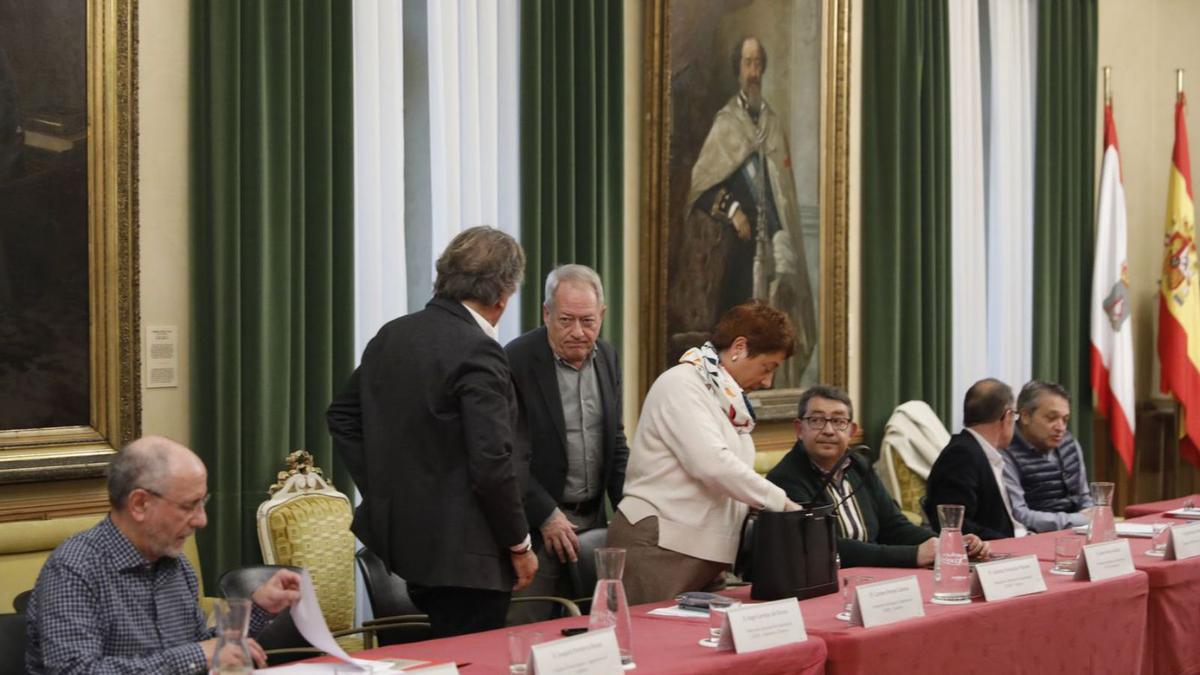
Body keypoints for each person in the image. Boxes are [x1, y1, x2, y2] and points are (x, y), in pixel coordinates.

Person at [327, 226, 536, 638]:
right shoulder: (479, 349)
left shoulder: (394, 335)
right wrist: (520, 545)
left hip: (409, 547)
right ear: (504, 293)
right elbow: (492, 462)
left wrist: (388, 489)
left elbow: (343, 417)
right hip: (471, 558)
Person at [25, 436, 301, 673]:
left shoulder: (176, 566)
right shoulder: (73, 569)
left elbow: (202, 650)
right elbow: (77, 671)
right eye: (189, 506)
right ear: (140, 504)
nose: (201, 520)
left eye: (202, 503)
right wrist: (197, 655)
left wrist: (260, 608)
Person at [609, 300, 803, 605]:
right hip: (659, 548)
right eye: (768, 368)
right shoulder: (682, 385)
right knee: (656, 646)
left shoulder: (727, 401)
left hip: (706, 553)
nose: (768, 382)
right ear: (739, 347)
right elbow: (713, 465)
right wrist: (780, 502)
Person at [675, 36, 818, 387]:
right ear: (737, 70)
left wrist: (782, 233)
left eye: (757, 64)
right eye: (747, 63)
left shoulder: (771, 123)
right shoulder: (726, 122)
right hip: (734, 252)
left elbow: (780, 190)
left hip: (769, 245)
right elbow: (701, 188)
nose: (753, 71)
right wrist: (733, 209)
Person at [505, 265, 629, 620]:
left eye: (588, 321)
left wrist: (630, 511)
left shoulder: (607, 358)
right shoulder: (515, 360)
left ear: (602, 316)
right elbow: (505, 455)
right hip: (535, 528)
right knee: (527, 632)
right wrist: (545, 514)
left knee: (593, 633)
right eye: (566, 320)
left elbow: (615, 442)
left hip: (594, 524)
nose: (577, 332)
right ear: (546, 314)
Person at [767, 386, 988, 567]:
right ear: (799, 428)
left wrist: (948, 544)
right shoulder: (785, 479)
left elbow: (893, 525)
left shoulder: (858, 466)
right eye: (816, 420)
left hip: (873, 579)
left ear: (851, 431)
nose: (828, 430)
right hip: (824, 581)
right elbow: (825, 546)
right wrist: (912, 555)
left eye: (838, 421)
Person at [924, 379, 1027, 540]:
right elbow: (954, 523)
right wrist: (1007, 542)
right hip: (991, 554)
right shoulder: (961, 455)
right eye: (1014, 416)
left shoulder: (979, 451)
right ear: (1007, 416)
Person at [1003, 380, 1094, 532]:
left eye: (1065, 420)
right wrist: (1079, 519)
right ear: (1025, 416)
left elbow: (1084, 498)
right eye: (1052, 418)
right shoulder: (1007, 450)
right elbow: (1018, 515)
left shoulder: (1069, 443)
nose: (1061, 428)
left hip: (1078, 531)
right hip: (1035, 537)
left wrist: (1094, 516)